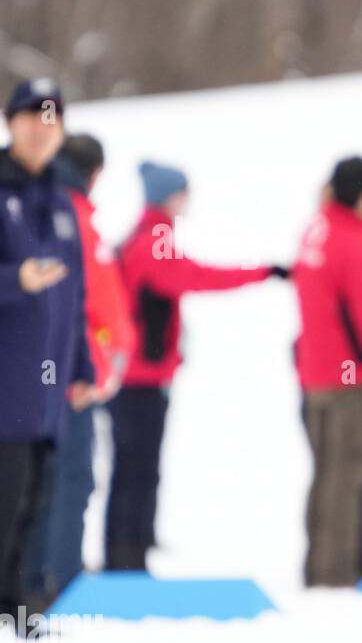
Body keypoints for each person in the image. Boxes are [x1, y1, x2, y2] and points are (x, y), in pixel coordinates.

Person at [106, 161, 282, 571]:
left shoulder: (144, 234)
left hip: (136, 374)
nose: (189, 200)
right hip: (141, 378)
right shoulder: (156, 238)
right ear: (168, 196)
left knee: (132, 466)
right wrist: (260, 272)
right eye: (184, 192)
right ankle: (128, 561)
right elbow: (194, 276)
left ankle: (128, 551)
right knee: (139, 469)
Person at [0, 78, 96, 637]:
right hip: (5, 384)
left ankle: (14, 607)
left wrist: (81, 366)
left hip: (47, 387)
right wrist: (16, 280)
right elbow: (31, 283)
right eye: (31, 117)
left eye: (52, 119)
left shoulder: (61, 202)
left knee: (33, 505)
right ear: (10, 123)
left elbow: (74, 297)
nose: (41, 129)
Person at [22, 133, 135, 606]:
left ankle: (30, 578)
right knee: (70, 481)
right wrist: (104, 364)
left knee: (38, 481)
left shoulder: (30, 208)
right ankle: (57, 583)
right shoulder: (75, 221)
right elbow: (101, 305)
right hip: (70, 376)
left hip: (35, 370)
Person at [293, 156, 362, 587]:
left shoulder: (315, 231)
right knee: (346, 482)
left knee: (324, 478)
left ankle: (316, 569)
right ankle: (336, 577)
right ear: (360, 192)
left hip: (317, 377)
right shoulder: (352, 243)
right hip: (351, 382)